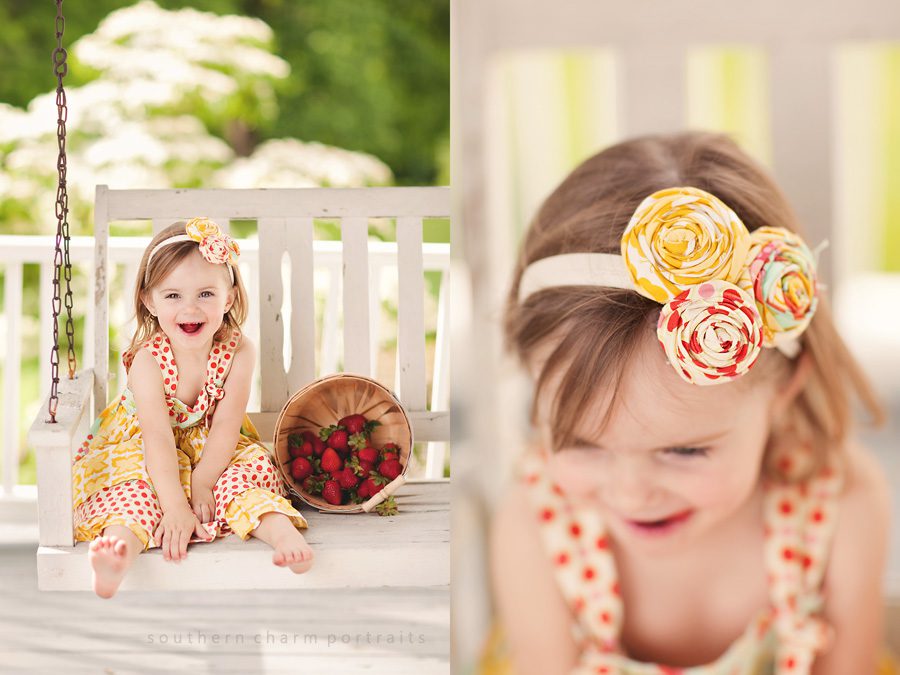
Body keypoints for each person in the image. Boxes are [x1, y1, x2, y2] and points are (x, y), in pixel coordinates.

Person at [488, 132, 897, 673]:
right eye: (582, 443)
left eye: (684, 451)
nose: (631, 493)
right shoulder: (537, 524)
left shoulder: (840, 507)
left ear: (781, 391)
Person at [72, 218, 312, 599]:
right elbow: (156, 436)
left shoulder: (238, 351)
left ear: (228, 298)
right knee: (136, 489)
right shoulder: (148, 360)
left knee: (242, 477)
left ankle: (280, 533)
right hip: (146, 446)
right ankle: (117, 552)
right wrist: (175, 507)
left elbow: (228, 425)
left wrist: (202, 481)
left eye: (205, 294)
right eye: (172, 296)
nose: (190, 309)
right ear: (149, 302)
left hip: (212, 447)